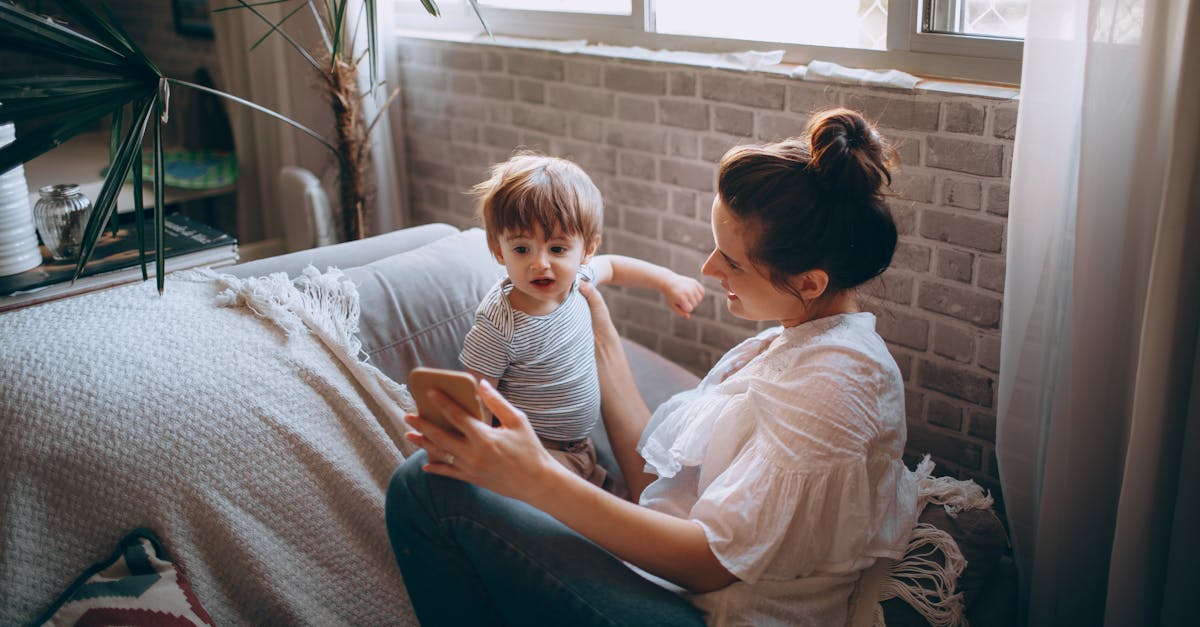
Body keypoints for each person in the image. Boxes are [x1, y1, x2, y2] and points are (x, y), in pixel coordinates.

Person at [387, 108, 920, 626]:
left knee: (424, 486)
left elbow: (707, 565)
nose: (709, 269)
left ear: (809, 282)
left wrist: (537, 477)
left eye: (730, 261)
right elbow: (659, 485)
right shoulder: (791, 343)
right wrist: (603, 340)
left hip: (715, 612)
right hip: (679, 580)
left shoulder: (837, 385)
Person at [460, 153, 705, 488]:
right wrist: (484, 457)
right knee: (593, 521)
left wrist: (668, 281)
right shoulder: (499, 321)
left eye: (557, 249)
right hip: (538, 452)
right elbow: (478, 395)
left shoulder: (579, 280)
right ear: (499, 250)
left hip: (582, 445)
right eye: (522, 249)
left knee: (635, 507)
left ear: (587, 249)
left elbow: (616, 267)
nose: (540, 264)